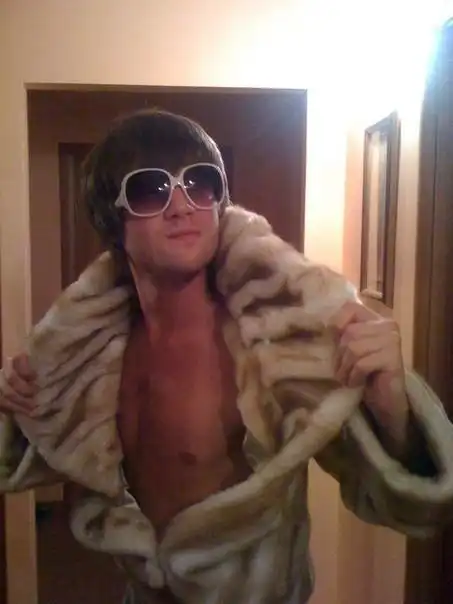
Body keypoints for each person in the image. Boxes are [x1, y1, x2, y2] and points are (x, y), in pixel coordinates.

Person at [1, 109, 453, 604]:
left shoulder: (284, 341)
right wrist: (11, 408)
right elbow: (24, 464)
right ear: (113, 220)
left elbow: (410, 507)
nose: (182, 206)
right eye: (151, 189)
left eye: (201, 183)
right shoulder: (87, 352)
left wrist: (392, 408)